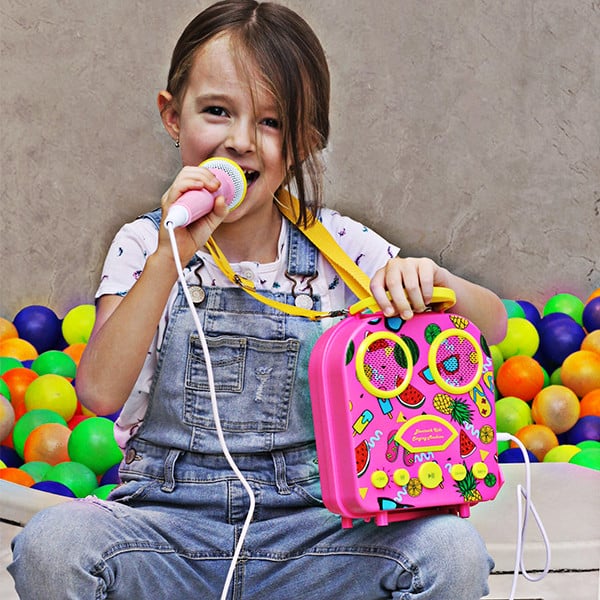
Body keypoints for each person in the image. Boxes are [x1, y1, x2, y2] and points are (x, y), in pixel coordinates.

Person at [9, 1, 507, 598]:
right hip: (168, 531)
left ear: (303, 142)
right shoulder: (144, 244)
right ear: (173, 116)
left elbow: (495, 326)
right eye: (217, 111)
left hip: (316, 534)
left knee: (451, 553)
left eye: (271, 122)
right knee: (52, 546)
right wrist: (171, 255)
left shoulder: (342, 247)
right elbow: (98, 392)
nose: (241, 141)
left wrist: (432, 280)